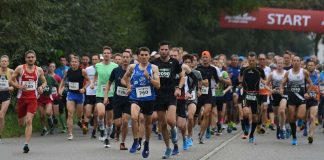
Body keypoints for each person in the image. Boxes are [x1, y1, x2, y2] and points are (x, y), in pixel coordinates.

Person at [121, 47, 160, 158]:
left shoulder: (154, 68)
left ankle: (146, 144)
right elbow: (124, 79)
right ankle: (135, 140)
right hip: (135, 98)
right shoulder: (133, 67)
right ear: (138, 56)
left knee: (148, 125)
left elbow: (158, 85)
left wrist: (149, 78)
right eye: (141, 55)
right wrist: (129, 87)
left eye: (146, 55)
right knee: (134, 117)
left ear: (149, 56)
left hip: (149, 99)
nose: (144, 57)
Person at [151, 41, 185, 158]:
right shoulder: (154, 63)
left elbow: (182, 77)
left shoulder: (174, 62)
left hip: (171, 94)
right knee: (163, 124)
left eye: (166, 49)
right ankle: (168, 148)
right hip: (158, 95)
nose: (164, 51)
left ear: (169, 50)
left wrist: (179, 88)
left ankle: (174, 137)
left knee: (171, 120)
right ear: (159, 50)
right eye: (162, 49)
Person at [10, 50, 47, 153]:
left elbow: (44, 82)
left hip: (33, 99)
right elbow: (11, 80)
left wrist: (41, 87)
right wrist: (19, 86)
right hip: (21, 99)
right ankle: (23, 129)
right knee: (21, 123)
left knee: (29, 120)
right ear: (25, 59)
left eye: (32, 57)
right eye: (28, 57)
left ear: (35, 59)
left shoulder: (39, 70)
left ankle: (26, 144)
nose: (30, 59)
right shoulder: (20, 68)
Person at [280, 56, 312, 145]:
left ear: (300, 62)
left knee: (300, 115)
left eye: (298, 61)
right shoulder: (288, 73)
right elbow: (282, 83)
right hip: (291, 97)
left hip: (301, 97)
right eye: (294, 61)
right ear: (292, 62)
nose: (296, 62)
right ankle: (294, 137)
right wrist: (282, 89)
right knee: (291, 118)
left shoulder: (304, 72)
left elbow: (310, 83)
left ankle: (302, 124)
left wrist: (307, 92)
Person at [91, 46, 118, 147]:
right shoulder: (97, 65)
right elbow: (96, 75)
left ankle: (107, 138)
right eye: (104, 53)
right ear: (103, 55)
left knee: (110, 120)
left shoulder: (115, 66)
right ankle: (101, 128)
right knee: (101, 113)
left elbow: (117, 78)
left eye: (108, 53)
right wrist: (93, 83)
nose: (106, 54)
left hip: (111, 94)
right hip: (100, 93)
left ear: (111, 55)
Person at [104, 51, 132, 150]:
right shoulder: (116, 70)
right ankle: (117, 130)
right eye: (123, 57)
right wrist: (106, 96)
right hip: (117, 100)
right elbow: (109, 83)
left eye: (127, 57)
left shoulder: (133, 70)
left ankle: (123, 143)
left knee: (125, 121)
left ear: (130, 58)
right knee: (118, 123)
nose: (125, 59)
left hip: (129, 100)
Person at [59, 56, 90, 140]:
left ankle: (81, 121)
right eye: (72, 62)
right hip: (71, 94)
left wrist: (84, 88)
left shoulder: (82, 71)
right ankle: (70, 134)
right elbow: (63, 80)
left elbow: (88, 81)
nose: (74, 63)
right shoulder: (67, 71)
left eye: (76, 62)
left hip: (79, 95)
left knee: (79, 115)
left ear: (78, 63)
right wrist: (60, 89)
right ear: (70, 63)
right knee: (70, 114)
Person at [239, 52, 265, 143]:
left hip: (256, 95)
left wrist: (267, 87)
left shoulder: (260, 70)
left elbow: (265, 80)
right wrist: (241, 83)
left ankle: (252, 134)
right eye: (250, 61)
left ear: (256, 60)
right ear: (248, 60)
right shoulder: (243, 69)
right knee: (245, 113)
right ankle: (246, 126)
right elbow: (240, 79)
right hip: (246, 94)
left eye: (253, 61)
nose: (251, 62)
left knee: (255, 118)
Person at [195, 51, 220, 144]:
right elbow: (194, 80)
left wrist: (216, 85)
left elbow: (217, 80)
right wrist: (199, 85)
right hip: (198, 94)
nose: (204, 59)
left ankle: (201, 134)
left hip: (208, 94)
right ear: (201, 59)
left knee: (207, 113)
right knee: (194, 116)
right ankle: (189, 132)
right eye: (203, 57)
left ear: (210, 59)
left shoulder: (213, 69)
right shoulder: (198, 69)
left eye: (206, 57)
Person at [266, 57, 288, 139]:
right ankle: (279, 127)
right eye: (278, 63)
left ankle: (282, 128)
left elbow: (290, 83)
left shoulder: (286, 73)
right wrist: (271, 90)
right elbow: (266, 84)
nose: (280, 64)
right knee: (276, 116)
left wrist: (284, 89)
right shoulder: (272, 73)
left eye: (281, 63)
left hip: (283, 94)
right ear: (276, 64)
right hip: (274, 95)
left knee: (282, 111)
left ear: (283, 64)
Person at [38, 66, 58, 136]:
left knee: (48, 112)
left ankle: (51, 120)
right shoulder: (38, 79)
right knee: (41, 115)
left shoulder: (50, 78)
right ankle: (44, 128)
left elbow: (57, 84)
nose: (43, 72)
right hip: (40, 98)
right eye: (42, 71)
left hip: (48, 98)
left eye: (45, 71)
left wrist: (57, 92)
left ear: (47, 71)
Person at [84, 54, 100, 138]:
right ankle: (87, 124)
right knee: (87, 114)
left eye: (96, 59)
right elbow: (86, 81)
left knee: (96, 113)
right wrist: (84, 88)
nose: (94, 61)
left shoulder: (101, 68)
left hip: (98, 93)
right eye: (93, 59)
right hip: (89, 93)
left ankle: (94, 131)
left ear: (99, 60)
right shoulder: (87, 69)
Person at [48, 62, 66, 133]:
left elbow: (62, 85)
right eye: (50, 66)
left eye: (53, 67)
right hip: (48, 97)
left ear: (55, 68)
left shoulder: (57, 77)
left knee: (59, 112)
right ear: (49, 67)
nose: (51, 68)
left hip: (56, 97)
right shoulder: (45, 76)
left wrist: (60, 92)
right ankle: (51, 128)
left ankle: (64, 126)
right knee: (49, 112)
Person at [305, 60, 319, 144]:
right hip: (305, 98)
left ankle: (311, 135)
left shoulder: (318, 75)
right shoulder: (303, 74)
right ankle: (304, 127)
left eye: (311, 65)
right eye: (308, 65)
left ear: (315, 66)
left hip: (314, 99)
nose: (310, 66)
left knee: (312, 117)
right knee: (305, 117)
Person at [0, 55, 14, 142]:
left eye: (5, 61)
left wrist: (10, 88)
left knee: (1, 116)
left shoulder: (11, 72)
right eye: (2, 61)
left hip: (6, 94)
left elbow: (14, 85)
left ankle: (0, 135)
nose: (4, 62)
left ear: (8, 62)